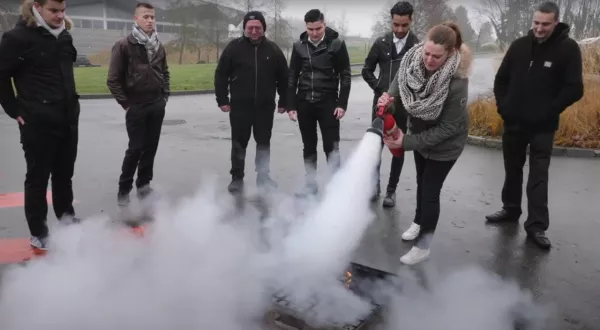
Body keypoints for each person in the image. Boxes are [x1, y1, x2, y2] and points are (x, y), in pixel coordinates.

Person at [485, 2, 583, 250]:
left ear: (556, 22)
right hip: (514, 122)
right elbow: (501, 79)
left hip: (543, 126)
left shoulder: (568, 49)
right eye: (536, 23)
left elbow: (575, 88)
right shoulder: (519, 46)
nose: (539, 28)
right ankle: (510, 209)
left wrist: (549, 110)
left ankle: (536, 226)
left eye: (545, 24)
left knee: (538, 177)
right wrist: (503, 107)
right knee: (512, 169)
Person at [378, 22, 472, 265]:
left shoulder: (457, 82)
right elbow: (397, 89)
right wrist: (388, 100)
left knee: (430, 192)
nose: (429, 59)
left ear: (450, 53)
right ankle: (420, 223)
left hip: (445, 145)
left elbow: (449, 127)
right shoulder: (411, 62)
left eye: (436, 56)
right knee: (421, 182)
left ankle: (424, 246)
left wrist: (406, 141)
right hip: (420, 135)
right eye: (427, 53)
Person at [0, 0, 81, 250]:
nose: (60, 15)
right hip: (37, 121)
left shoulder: (64, 36)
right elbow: (1, 76)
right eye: (53, 11)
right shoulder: (17, 38)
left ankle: (66, 220)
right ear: (37, 7)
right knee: (37, 178)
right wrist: (14, 110)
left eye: (62, 10)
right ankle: (39, 231)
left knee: (64, 175)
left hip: (67, 118)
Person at [214, 11, 288, 194]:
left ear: (264, 28)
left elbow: (284, 78)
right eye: (250, 28)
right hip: (240, 108)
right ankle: (237, 178)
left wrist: (284, 101)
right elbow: (221, 75)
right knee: (239, 143)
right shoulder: (233, 48)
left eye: (258, 27)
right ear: (245, 28)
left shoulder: (273, 50)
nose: (254, 31)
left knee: (263, 143)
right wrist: (222, 99)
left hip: (265, 107)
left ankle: (263, 176)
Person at [107, 2, 170, 207]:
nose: (150, 20)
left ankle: (144, 187)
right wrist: (127, 104)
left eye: (152, 17)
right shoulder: (124, 45)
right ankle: (123, 190)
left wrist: (164, 97)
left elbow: (165, 72)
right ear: (136, 19)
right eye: (146, 16)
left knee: (151, 148)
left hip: (156, 104)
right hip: (136, 106)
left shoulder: (159, 45)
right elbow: (113, 79)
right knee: (135, 149)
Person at [287, 9, 352, 196]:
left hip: (328, 102)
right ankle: (310, 184)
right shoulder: (299, 46)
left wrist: (342, 104)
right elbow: (292, 76)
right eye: (310, 29)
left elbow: (345, 75)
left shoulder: (337, 45)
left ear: (324, 24)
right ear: (305, 27)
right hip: (304, 102)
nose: (314, 33)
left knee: (331, 146)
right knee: (308, 145)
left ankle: (336, 185)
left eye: (318, 28)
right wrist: (291, 105)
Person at [362, 1, 419, 207]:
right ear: (392, 21)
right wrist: (380, 90)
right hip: (380, 107)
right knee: (375, 148)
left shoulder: (418, 47)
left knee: (397, 148)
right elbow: (366, 70)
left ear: (411, 21)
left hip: (402, 110)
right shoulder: (380, 43)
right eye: (396, 24)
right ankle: (374, 186)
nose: (400, 29)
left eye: (404, 25)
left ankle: (391, 191)